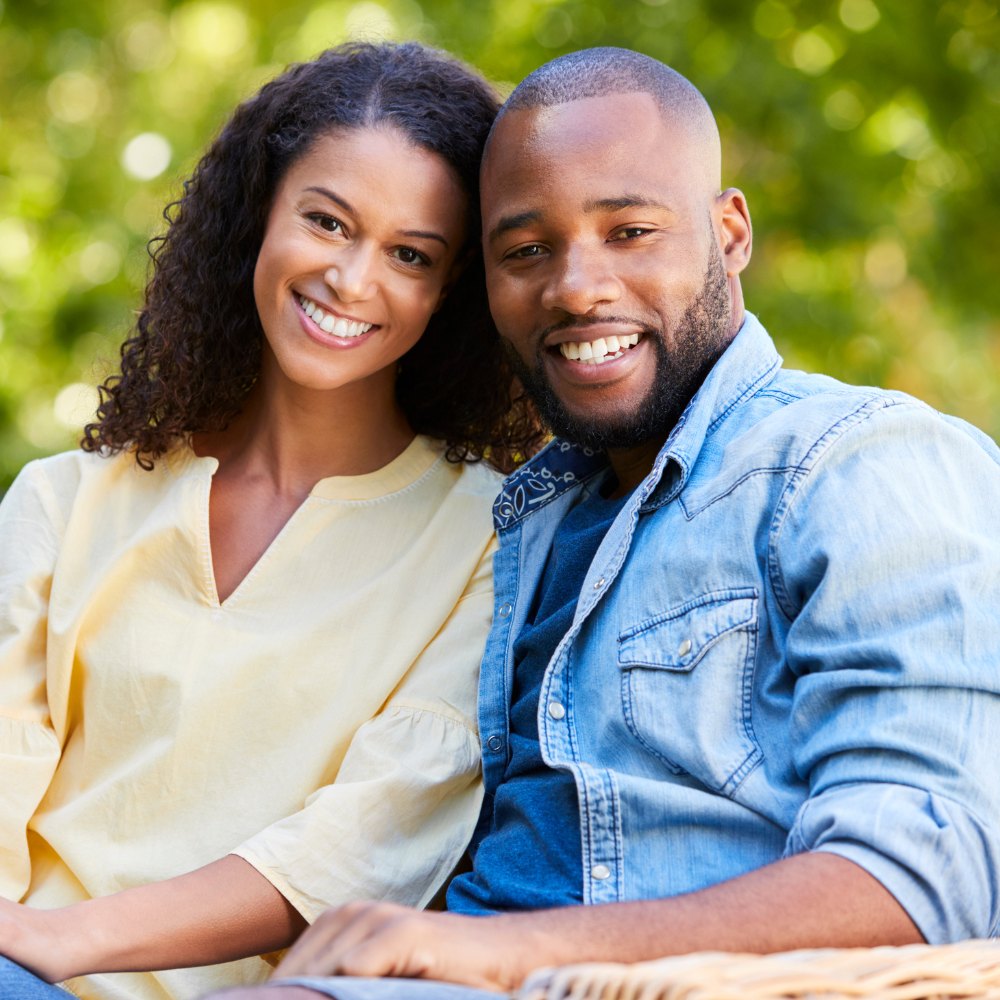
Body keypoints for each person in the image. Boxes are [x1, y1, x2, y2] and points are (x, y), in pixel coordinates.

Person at [228, 47, 1000, 1000]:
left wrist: (508, 953)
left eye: (629, 230)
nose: (575, 287)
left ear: (729, 233)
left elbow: (929, 874)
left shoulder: (863, 461)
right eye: (525, 251)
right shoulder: (522, 524)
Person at [0, 41, 543, 1000]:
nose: (352, 279)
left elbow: (366, 844)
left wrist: (73, 944)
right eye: (328, 222)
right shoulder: (65, 501)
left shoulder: (488, 544)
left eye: (409, 254)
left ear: (449, 288)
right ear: (262, 213)